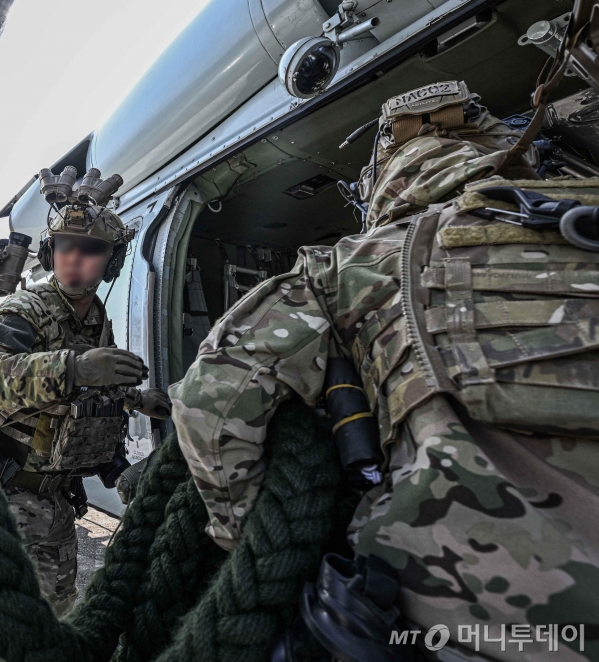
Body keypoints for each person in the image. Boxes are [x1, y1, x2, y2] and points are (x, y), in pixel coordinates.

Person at [169, 80, 599, 661]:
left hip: (474, 622)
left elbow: (212, 398)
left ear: (385, 182)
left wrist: (246, 538)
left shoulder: (346, 266)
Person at [0, 170, 169, 661]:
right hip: (6, 505)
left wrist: (137, 400)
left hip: (54, 509)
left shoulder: (93, 319)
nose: (75, 258)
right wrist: (73, 366)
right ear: (50, 255)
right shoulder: (26, 309)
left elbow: (90, 393)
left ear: (109, 264)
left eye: (90, 250)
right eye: (65, 246)